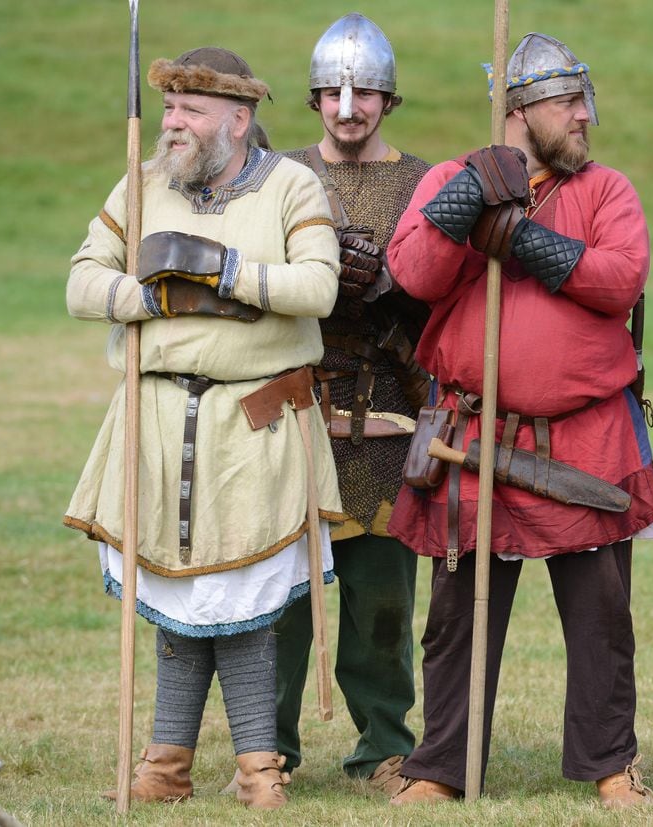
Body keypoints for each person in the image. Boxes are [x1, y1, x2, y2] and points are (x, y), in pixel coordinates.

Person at [383, 32, 653, 809]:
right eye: (569, 103)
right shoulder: (455, 179)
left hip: (583, 435)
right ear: (519, 110)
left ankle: (612, 764)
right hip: (473, 434)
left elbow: (619, 279)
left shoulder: (608, 190)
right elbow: (412, 273)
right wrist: (470, 199)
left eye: (585, 100)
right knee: (457, 615)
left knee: (602, 614)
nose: (585, 117)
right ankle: (441, 765)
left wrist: (525, 239)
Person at [64, 46, 343, 811]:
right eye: (170, 107)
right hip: (154, 420)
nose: (173, 122)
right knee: (180, 600)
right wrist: (155, 299)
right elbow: (82, 280)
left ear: (239, 119)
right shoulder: (145, 184)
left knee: (238, 598)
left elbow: (318, 286)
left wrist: (225, 275)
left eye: (190, 109)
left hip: (254, 423)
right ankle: (166, 764)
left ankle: (259, 767)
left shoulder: (290, 185)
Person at [272, 13, 432, 796]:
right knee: (278, 597)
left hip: (386, 418)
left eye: (364, 91)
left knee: (382, 604)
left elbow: (448, 293)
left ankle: (384, 747)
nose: (347, 107)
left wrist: (395, 285)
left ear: (388, 99)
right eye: (333, 92)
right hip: (291, 411)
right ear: (312, 98)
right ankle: (264, 746)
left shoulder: (426, 182)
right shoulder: (275, 175)